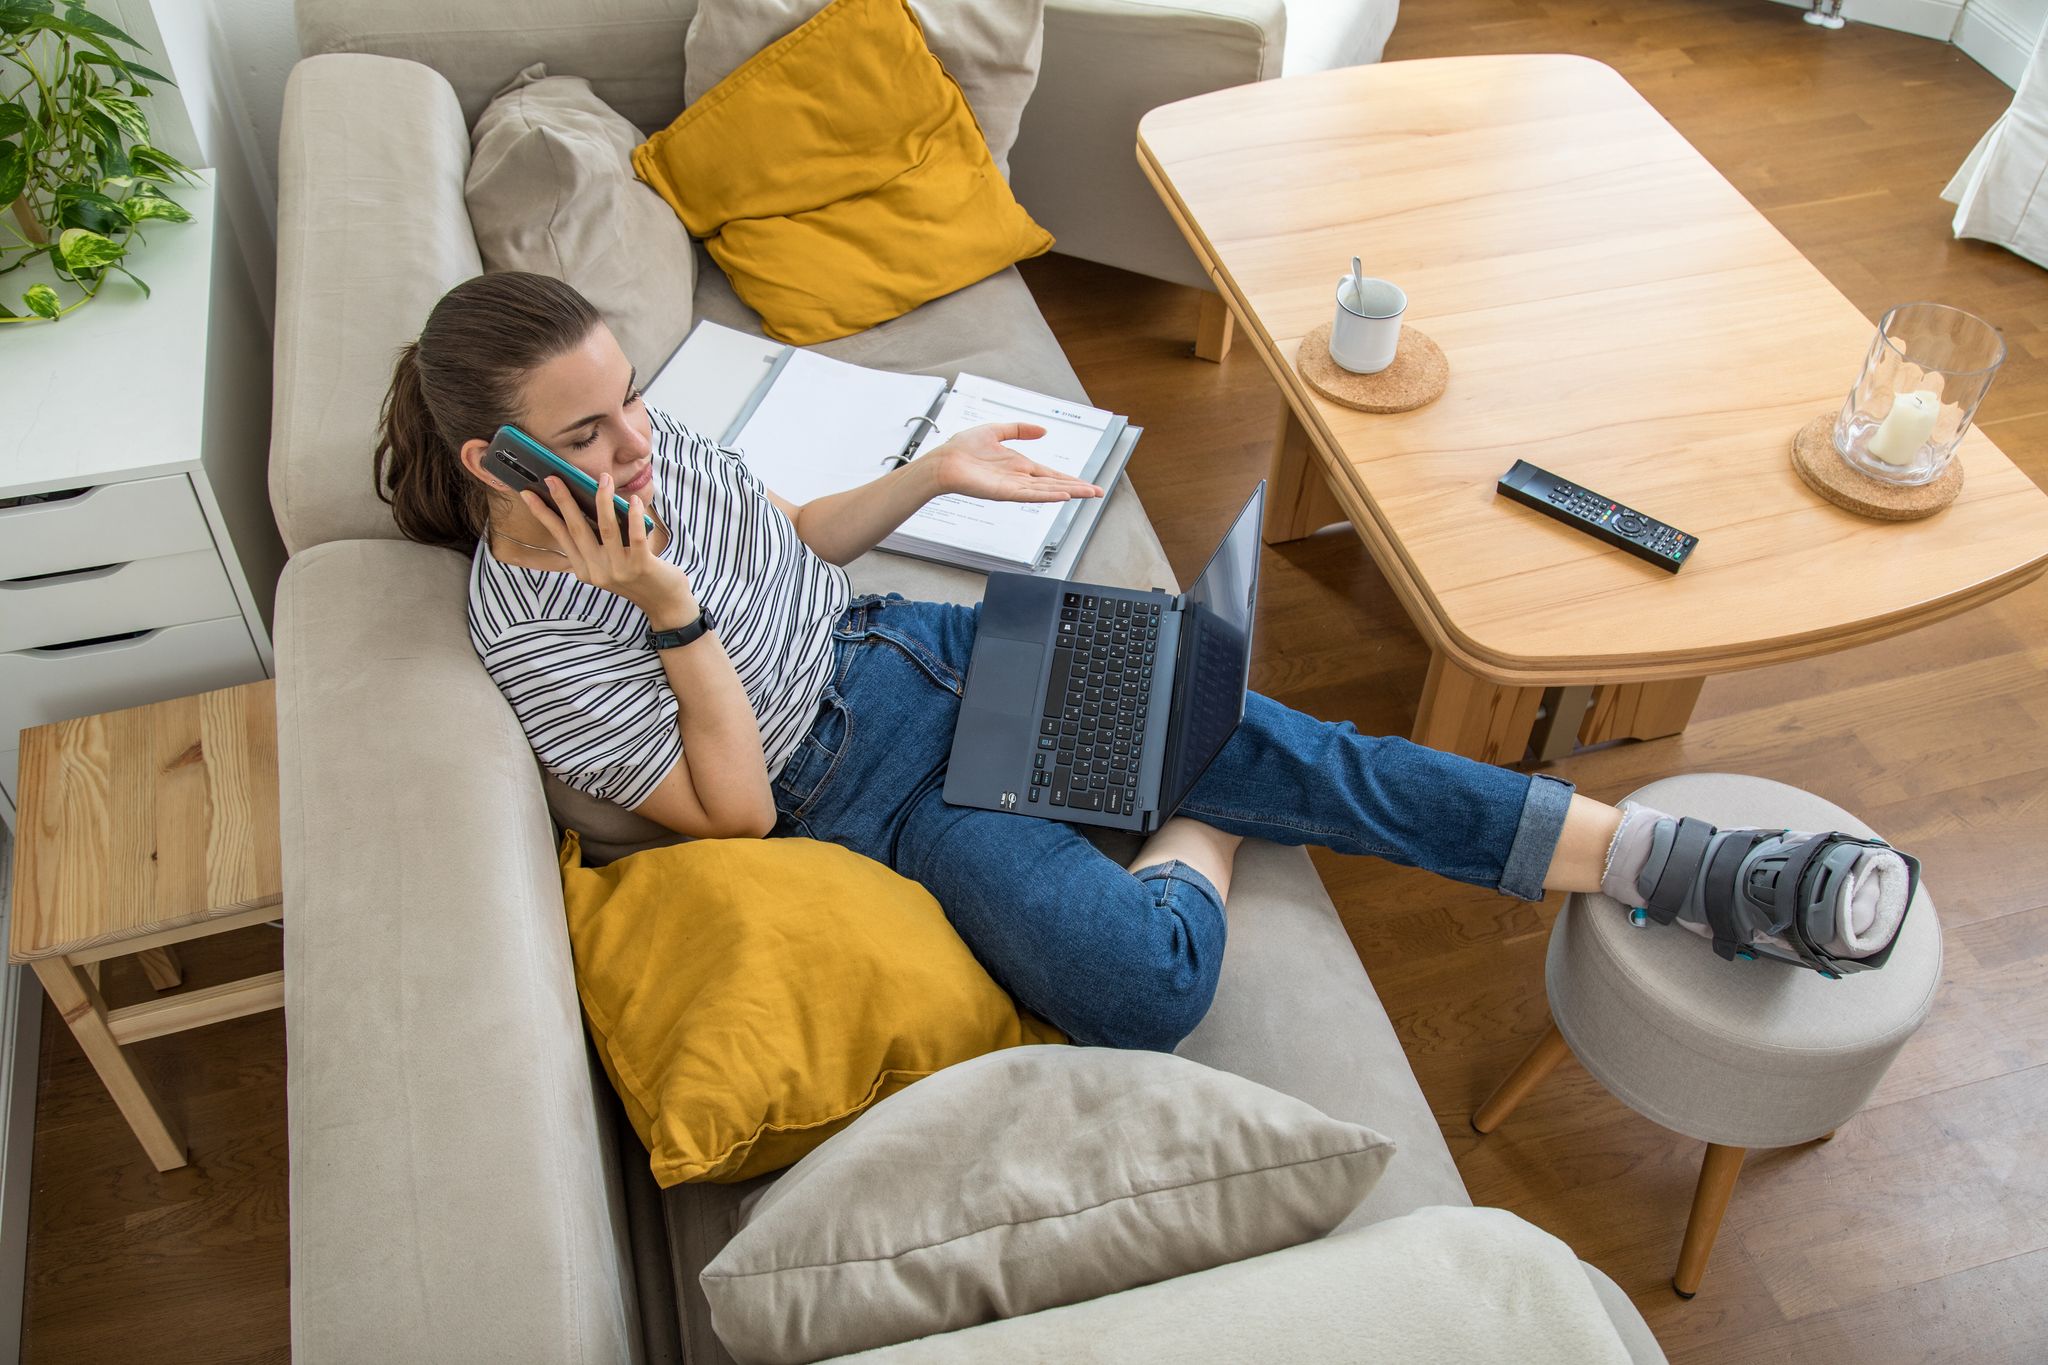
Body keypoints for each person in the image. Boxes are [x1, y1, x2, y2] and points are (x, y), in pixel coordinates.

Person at [376, 272, 1915, 1050]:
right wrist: (661, 602)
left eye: (632, 400)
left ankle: (1684, 861)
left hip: (920, 645)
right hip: (860, 796)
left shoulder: (652, 457)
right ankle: (1212, 814)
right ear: (495, 464)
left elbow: (781, 536)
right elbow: (739, 815)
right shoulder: (532, 634)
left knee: (1314, 747)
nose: (638, 442)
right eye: (588, 436)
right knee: (1142, 981)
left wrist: (925, 480)